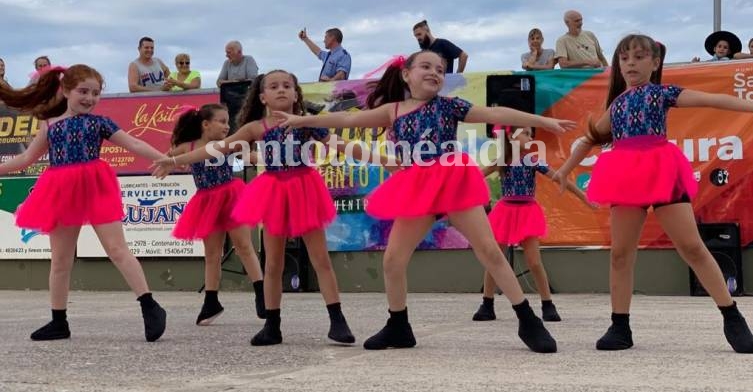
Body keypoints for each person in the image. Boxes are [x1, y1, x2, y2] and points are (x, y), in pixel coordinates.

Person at [274, 52, 576, 353]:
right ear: (406, 74)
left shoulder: (449, 105)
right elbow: (347, 118)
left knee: (489, 251)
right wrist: (305, 119)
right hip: (417, 184)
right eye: (426, 67)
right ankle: (398, 325)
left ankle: (528, 320)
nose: (434, 72)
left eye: (441, 69)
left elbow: (495, 115)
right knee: (393, 260)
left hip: (452, 181)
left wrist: (541, 121)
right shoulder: (392, 110)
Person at [553, 34, 753, 353]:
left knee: (692, 247)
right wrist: (564, 170)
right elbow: (590, 137)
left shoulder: (662, 94)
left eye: (639, 57)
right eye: (624, 58)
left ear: (655, 62)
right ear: (618, 65)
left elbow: (711, 99)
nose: (630, 63)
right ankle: (620, 325)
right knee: (620, 254)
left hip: (661, 170)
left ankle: (732, 317)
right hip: (625, 176)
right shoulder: (617, 104)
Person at [153, 70, 358, 347]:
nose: (281, 90)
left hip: (304, 187)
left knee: (320, 259)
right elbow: (216, 149)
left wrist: (381, 158)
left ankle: (337, 319)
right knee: (273, 263)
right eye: (274, 86)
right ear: (263, 96)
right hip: (273, 190)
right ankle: (272, 324)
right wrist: (174, 161)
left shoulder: (307, 123)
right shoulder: (255, 128)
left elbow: (340, 144)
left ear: (296, 94)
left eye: (287, 85)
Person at [0, 64, 168, 342]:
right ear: (65, 91)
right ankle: (58, 321)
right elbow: (25, 159)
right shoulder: (50, 125)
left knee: (117, 249)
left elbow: (134, 144)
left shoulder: (99, 123)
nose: (90, 98)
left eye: (96, 93)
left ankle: (150, 306)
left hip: (94, 186)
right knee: (61, 261)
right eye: (83, 91)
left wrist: (164, 159)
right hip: (60, 190)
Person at [472, 125, 591, 323]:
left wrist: (585, 197)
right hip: (505, 211)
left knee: (534, 261)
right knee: (495, 258)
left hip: (527, 212)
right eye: (526, 133)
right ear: (511, 136)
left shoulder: (532, 160)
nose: (530, 137)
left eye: (531, 134)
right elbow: (476, 176)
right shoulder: (503, 161)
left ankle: (547, 304)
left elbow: (559, 178)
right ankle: (487, 303)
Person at [167, 104, 265, 325]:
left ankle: (261, 294)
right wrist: (165, 163)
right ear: (205, 124)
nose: (227, 126)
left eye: (228, 122)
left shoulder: (226, 145)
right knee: (212, 254)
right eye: (222, 121)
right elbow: (166, 157)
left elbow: (249, 155)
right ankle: (211, 302)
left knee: (244, 246)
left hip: (231, 196)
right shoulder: (188, 147)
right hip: (206, 202)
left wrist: (272, 158)